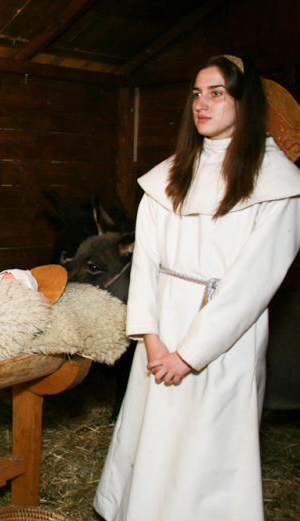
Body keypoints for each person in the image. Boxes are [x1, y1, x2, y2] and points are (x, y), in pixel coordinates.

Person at [93, 55, 300, 521]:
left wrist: (190, 354)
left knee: (206, 450)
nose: (201, 104)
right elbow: (145, 263)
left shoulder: (278, 185)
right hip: (161, 331)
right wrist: (150, 338)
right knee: (152, 437)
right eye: (196, 93)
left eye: (217, 93)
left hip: (223, 342)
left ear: (244, 103)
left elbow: (254, 284)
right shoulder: (168, 177)